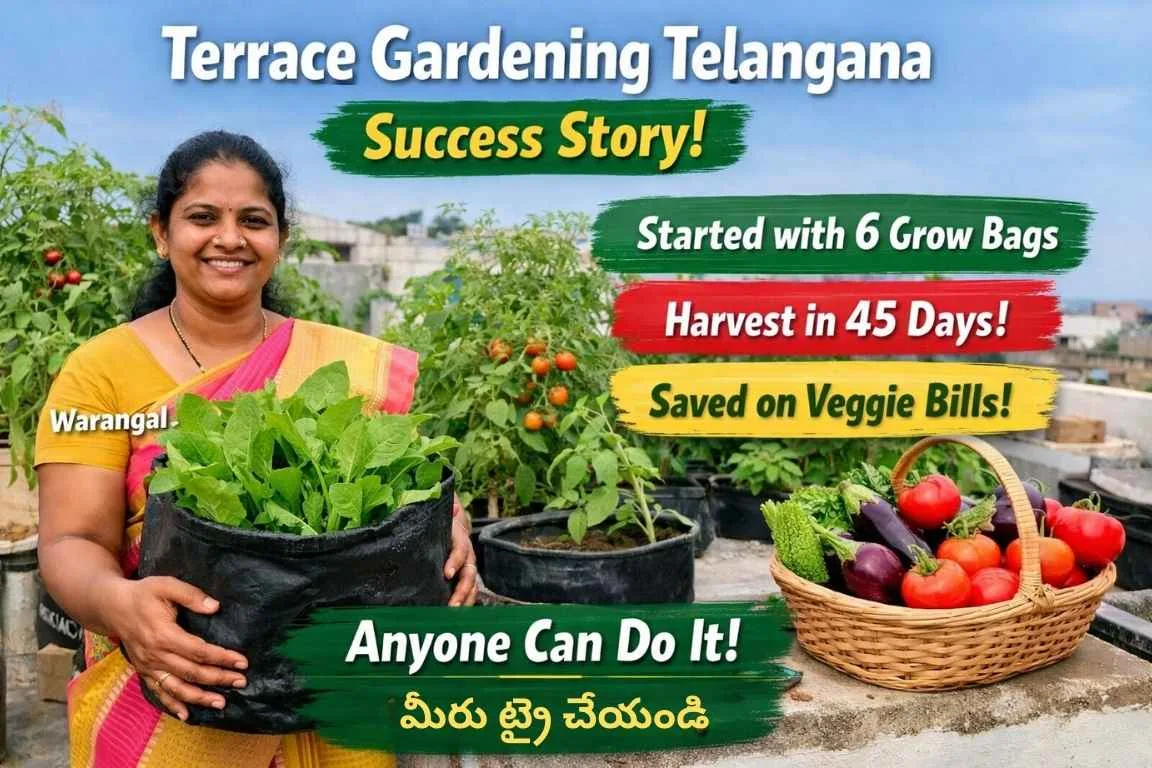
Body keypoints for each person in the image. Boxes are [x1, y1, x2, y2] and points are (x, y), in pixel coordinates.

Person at [34, 130, 477, 768]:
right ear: (161, 233)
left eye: (253, 220)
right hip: (172, 690)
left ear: (281, 239)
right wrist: (119, 606)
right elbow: (70, 541)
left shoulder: (341, 364)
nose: (230, 238)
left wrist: (440, 525)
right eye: (202, 217)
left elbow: (401, 482)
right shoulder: (97, 374)